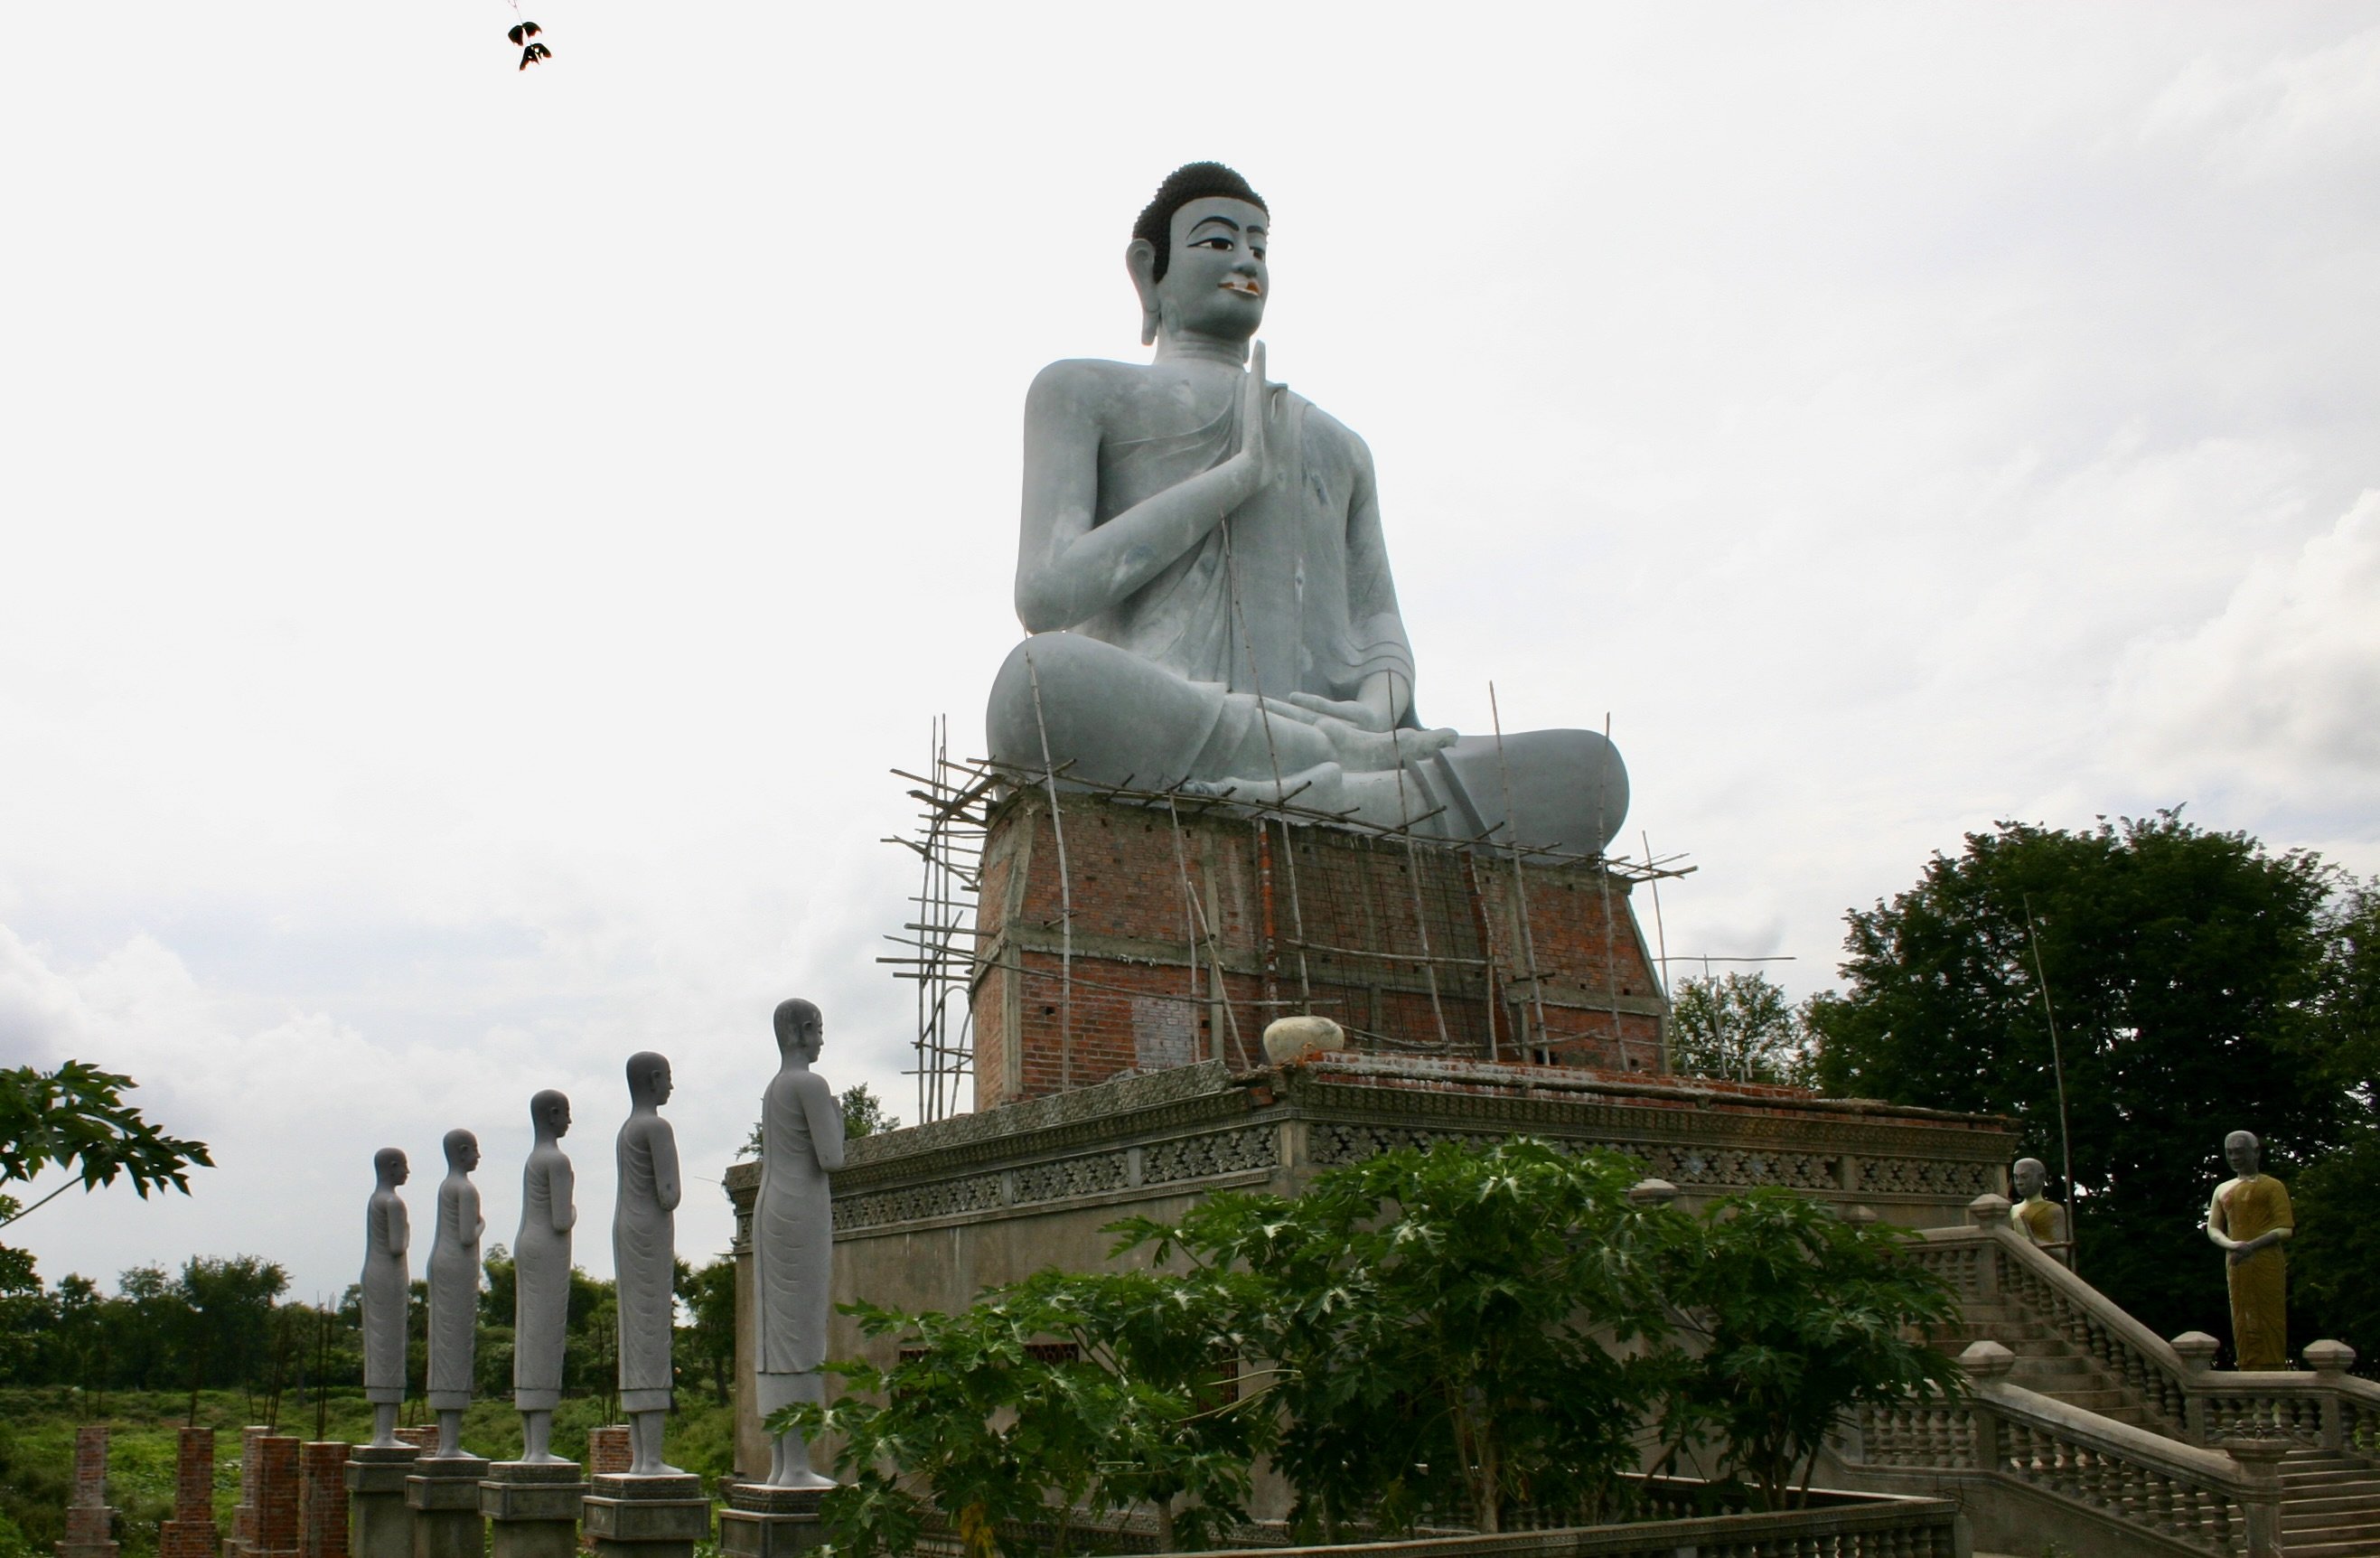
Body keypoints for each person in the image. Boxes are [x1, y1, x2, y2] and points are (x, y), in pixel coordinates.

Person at [986, 162, 1626, 858]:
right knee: (1040, 687)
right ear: (1148, 271)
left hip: (1341, 741)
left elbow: (1379, 623)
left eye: (1259, 248)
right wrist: (1237, 478)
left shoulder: (1337, 445)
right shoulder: (1081, 390)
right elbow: (1046, 597)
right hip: (1179, 715)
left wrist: (1372, 717)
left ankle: (1317, 785)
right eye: (1216, 243)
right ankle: (1362, 803)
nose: (1244, 263)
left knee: (1590, 774)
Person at [752, 999, 847, 1488]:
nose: (821, 1039)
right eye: (817, 1029)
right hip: (801, 1211)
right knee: (802, 1335)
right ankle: (795, 1465)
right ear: (799, 1033)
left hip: (772, 1209)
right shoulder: (810, 1085)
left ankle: (781, 1461)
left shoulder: (774, 1088)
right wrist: (838, 1115)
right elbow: (831, 1157)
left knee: (778, 1338)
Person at [614, 1052, 683, 1475]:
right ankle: (651, 1457)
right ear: (654, 1079)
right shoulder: (656, 1127)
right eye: (669, 1079)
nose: (671, 1087)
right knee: (652, 1331)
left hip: (626, 1226)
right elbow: (669, 1193)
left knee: (635, 1334)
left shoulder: (626, 1129)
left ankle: (642, 1455)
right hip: (650, 1230)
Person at [513, 1091, 576, 1463]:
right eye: (566, 1114)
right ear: (551, 1115)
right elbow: (561, 1219)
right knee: (544, 1337)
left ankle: (532, 1445)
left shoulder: (533, 1159)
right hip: (548, 1249)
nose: (569, 1121)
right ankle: (538, 1448)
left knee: (530, 1335)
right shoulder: (556, 1160)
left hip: (528, 1244)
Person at [2206, 1130, 2294, 1370]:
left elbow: (2285, 1229)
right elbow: (2213, 1228)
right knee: (2242, 1316)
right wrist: (2232, 1245)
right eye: (2230, 1152)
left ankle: (2274, 1370)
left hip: (2264, 1258)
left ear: (2255, 1152)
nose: (2234, 1157)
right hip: (2236, 1258)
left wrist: (2252, 1245)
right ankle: (2247, 1367)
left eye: (2239, 1151)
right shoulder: (2223, 1189)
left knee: (2269, 1317)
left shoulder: (2272, 1186)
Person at [426, 1129, 484, 1458]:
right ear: (462, 1152)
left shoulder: (446, 1187)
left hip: (442, 1264)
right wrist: (482, 1224)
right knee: (455, 1346)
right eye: (475, 1150)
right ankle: (449, 1443)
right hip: (457, 1267)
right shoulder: (465, 1189)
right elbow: (467, 1235)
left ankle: (449, 1440)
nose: (479, 1156)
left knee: (445, 1345)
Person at [360, 1148, 410, 1449]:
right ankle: (384, 1433)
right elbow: (396, 1245)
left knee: (380, 1348)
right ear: (391, 1167)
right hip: (388, 1277)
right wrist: (407, 1230)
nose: (407, 1172)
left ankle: (383, 1430)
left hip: (375, 1274)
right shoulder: (393, 1202)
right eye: (403, 1166)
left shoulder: (375, 1200)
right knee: (389, 1348)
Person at [2010, 1157, 2070, 1265]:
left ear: (2041, 1177)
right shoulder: (2011, 1210)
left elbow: (2061, 1253)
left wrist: (2028, 1241)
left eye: (2024, 1177)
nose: (2019, 1182)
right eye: (2016, 1177)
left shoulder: (2052, 1209)